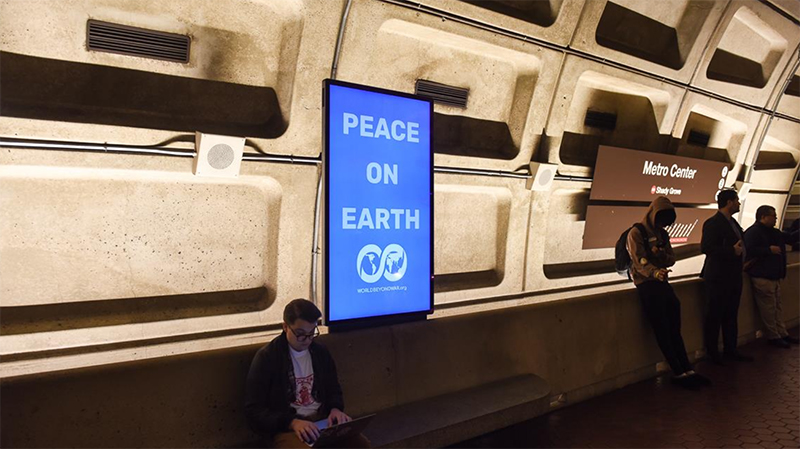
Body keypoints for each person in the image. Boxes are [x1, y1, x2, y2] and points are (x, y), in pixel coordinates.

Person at [245, 299, 370, 448]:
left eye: (311, 333)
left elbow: (333, 389)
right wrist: (292, 422)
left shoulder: (320, 352)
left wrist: (335, 409)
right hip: (287, 427)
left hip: (323, 421)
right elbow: (254, 411)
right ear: (285, 327)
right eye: (300, 334)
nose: (307, 340)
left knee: (360, 444)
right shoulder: (268, 357)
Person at [628, 196, 711, 389]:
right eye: (661, 219)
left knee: (674, 326)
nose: (663, 224)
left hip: (662, 283)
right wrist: (654, 271)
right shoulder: (636, 233)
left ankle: (687, 369)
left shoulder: (662, 234)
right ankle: (678, 371)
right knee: (662, 329)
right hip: (647, 285)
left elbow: (671, 259)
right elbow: (639, 261)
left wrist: (661, 255)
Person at [700, 189, 754, 364]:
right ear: (729, 202)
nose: (739, 203)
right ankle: (712, 353)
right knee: (714, 315)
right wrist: (732, 251)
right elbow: (706, 247)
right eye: (737, 200)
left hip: (733, 276)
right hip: (718, 277)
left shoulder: (733, 223)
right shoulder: (713, 223)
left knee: (731, 314)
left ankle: (731, 349)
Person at [744, 205, 800, 348]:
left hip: (773, 275)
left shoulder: (772, 232)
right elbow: (748, 250)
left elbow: (790, 238)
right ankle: (773, 335)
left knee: (776, 307)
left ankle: (782, 333)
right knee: (769, 308)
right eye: (773, 216)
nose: (775, 219)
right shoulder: (754, 232)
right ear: (763, 217)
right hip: (763, 275)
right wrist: (768, 250)